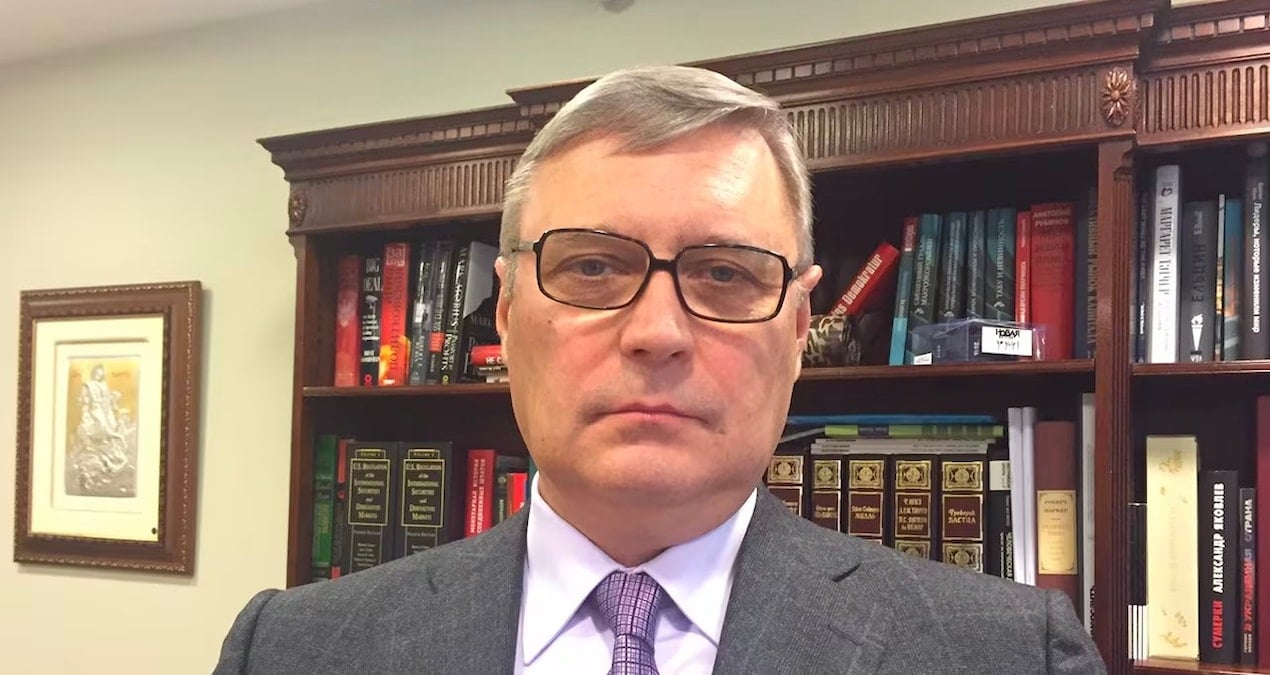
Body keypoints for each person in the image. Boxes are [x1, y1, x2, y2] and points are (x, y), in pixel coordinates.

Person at [214, 64, 1108, 674]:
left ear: (799, 328)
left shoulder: (1006, 655)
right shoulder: (293, 650)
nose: (656, 332)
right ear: (509, 314)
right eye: (592, 266)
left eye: (724, 274)